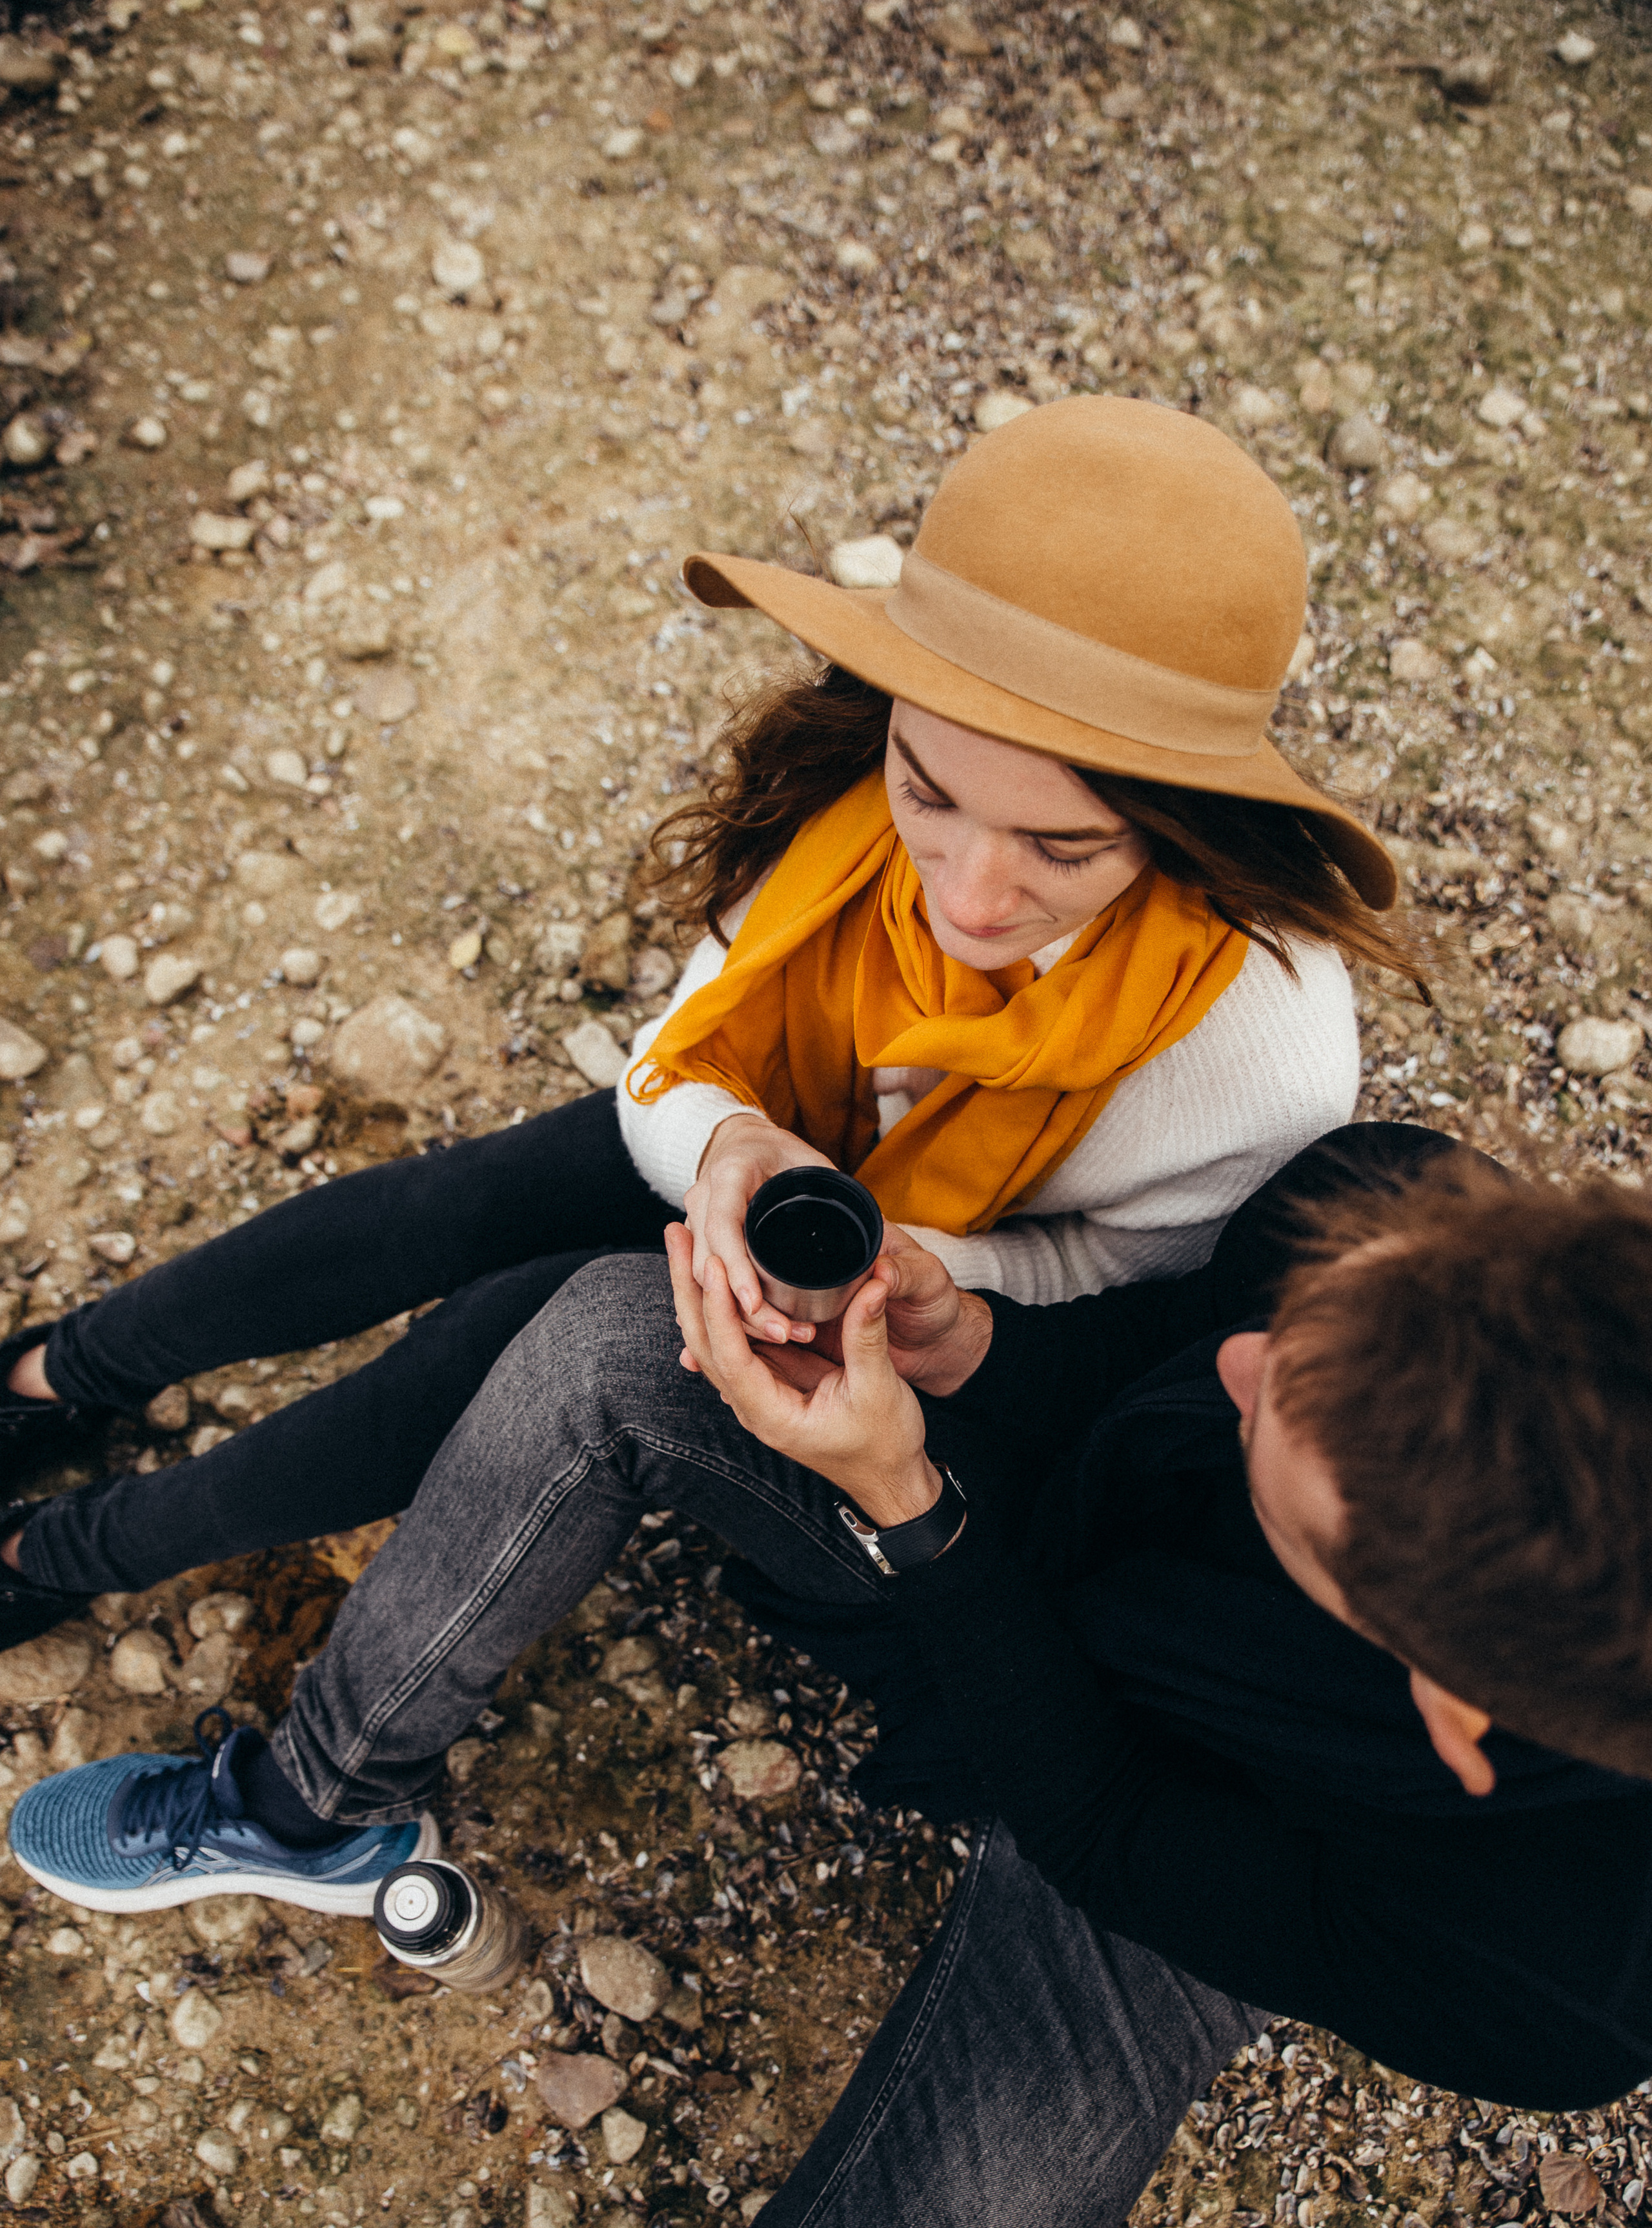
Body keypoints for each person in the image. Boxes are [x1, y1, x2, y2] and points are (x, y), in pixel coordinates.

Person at [7, 1124, 1652, 2228]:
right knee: (606, 1337)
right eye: (1292, 1338)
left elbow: (1106, 1832)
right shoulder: (1379, 1218)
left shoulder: (1556, 1983)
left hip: (1190, 1884)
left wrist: (910, 1507)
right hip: (1022, 1547)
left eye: (1268, 1438)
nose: (1233, 1361)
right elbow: (1153, 1354)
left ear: (1452, 1705)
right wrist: (978, 1348)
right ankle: (317, 1795)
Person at [0, 394, 1415, 1649]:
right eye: (930, 791)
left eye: (1066, 848)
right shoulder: (841, 801)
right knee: (467, 1198)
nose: (968, 897)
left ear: (1187, 823)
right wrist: (731, 1140)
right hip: (764, 1145)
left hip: (929, 1328)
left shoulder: (1262, 1046)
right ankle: (59, 1369)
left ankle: (63, 1555)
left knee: (499, 1331)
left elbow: (1128, 1287)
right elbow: (674, 1061)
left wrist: (924, 1268)